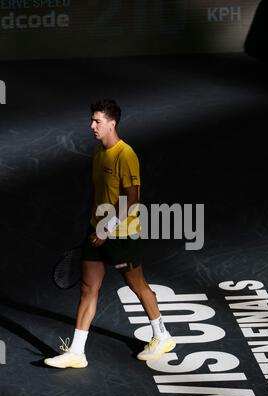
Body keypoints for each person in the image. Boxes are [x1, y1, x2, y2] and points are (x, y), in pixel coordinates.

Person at [44, 99, 176, 368]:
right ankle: (77, 353)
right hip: (97, 230)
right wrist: (94, 225)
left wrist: (106, 228)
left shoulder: (125, 155)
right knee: (88, 288)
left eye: (97, 121)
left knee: (137, 285)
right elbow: (100, 193)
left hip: (121, 234)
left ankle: (162, 336)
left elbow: (132, 199)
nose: (92, 126)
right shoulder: (98, 151)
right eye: (92, 120)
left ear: (112, 123)